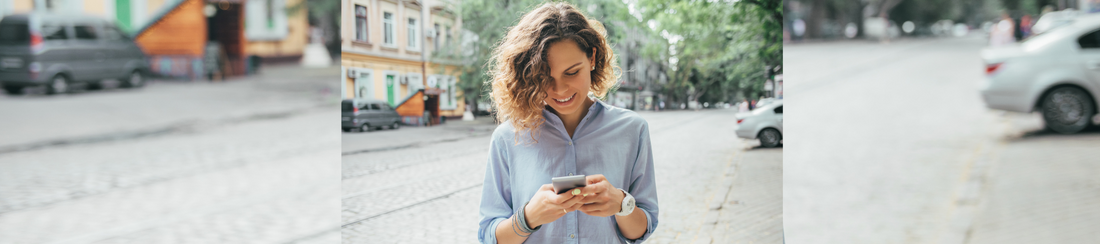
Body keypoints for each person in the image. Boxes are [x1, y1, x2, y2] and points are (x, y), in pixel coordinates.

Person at [477, 3, 658, 244]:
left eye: (572, 72)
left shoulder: (632, 130)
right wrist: (528, 218)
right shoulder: (507, 137)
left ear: (592, 58)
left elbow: (642, 229)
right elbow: (489, 236)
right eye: (544, 78)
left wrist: (621, 203)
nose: (559, 89)